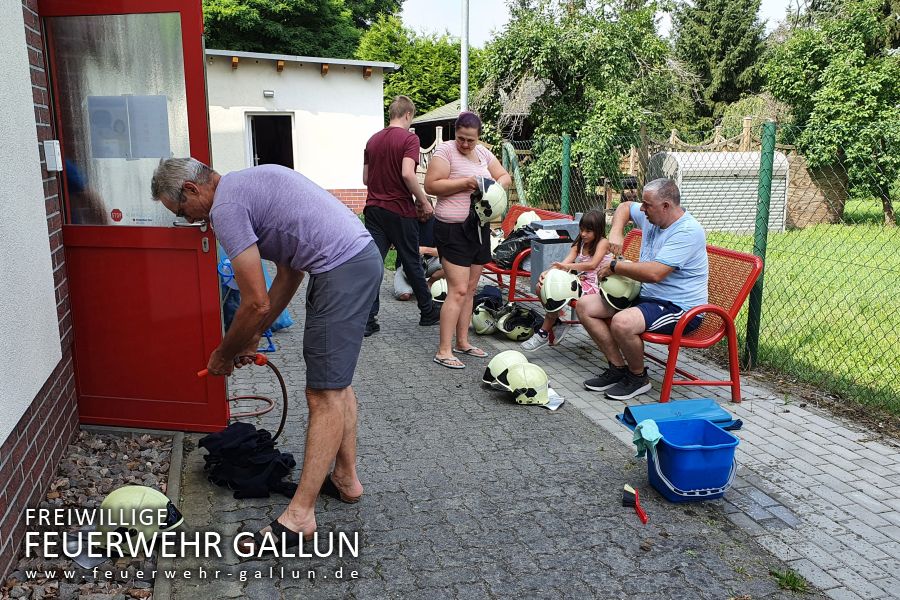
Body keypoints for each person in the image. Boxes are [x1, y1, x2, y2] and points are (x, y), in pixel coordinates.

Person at [151, 158, 382, 549]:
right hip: (356, 260)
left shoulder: (225, 207)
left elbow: (255, 301)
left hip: (341, 268)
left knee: (323, 393)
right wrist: (254, 335)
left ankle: (300, 515)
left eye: (182, 212)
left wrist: (225, 353)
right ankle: (346, 478)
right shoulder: (246, 186)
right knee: (337, 385)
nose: (191, 221)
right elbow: (289, 273)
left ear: (192, 190)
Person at [577, 178, 708, 401]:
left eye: (647, 205)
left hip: (679, 308)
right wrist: (616, 232)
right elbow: (625, 207)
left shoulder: (687, 231)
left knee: (622, 322)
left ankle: (638, 377)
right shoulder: (653, 216)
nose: (642, 209)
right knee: (585, 306)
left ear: (666, 206)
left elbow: (655, 273)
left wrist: (615, 266)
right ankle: (617, 368)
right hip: (647, 297)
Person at [424, 111, 512, 369]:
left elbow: (504, 177)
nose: (465, 144)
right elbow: (431, 185)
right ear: (455, 133)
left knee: (471, 288)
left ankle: (463, 342)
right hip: (451, 229)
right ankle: (443, 350)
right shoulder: (445, 152)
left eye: (470, 140)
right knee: (458, 289)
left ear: (478, 137)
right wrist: (465, 183)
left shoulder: (483, 153)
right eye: (461, 138)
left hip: (478, 227)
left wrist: (494, 189)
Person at [362, 95, 441, 337]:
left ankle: (367, 320)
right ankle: (428, 312)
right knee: (411, 261)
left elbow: (365, 179)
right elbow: (408, 174)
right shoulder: (409, 138)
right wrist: (424, 201)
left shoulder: (373, 140)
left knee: (373, 265)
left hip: (374, 209)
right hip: (399, 210)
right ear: (408, 114)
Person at [521, 209, 611, 351]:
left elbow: (592, 265)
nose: (583, 234)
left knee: (555, 292)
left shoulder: (603, 242)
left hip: (598, 286)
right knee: (541, 286)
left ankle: (543, 333)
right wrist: (548, 273)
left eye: (588, 231)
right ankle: (557, 321)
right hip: (581, 281)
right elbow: (565, 262)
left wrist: (566, 266)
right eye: (582, 230)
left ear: (598, 230)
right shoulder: (580, 242)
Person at [393, 216, 445, 299]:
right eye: (419, 210)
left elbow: (445, 252)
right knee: (404, 296)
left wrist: (425, 250)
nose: (423, 213)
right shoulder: (405, 222)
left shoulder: (438, 223)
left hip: (430, 262)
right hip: (405, 266)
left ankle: (429, 283)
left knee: (449, 264)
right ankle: (413, 285)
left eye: (424, 210)